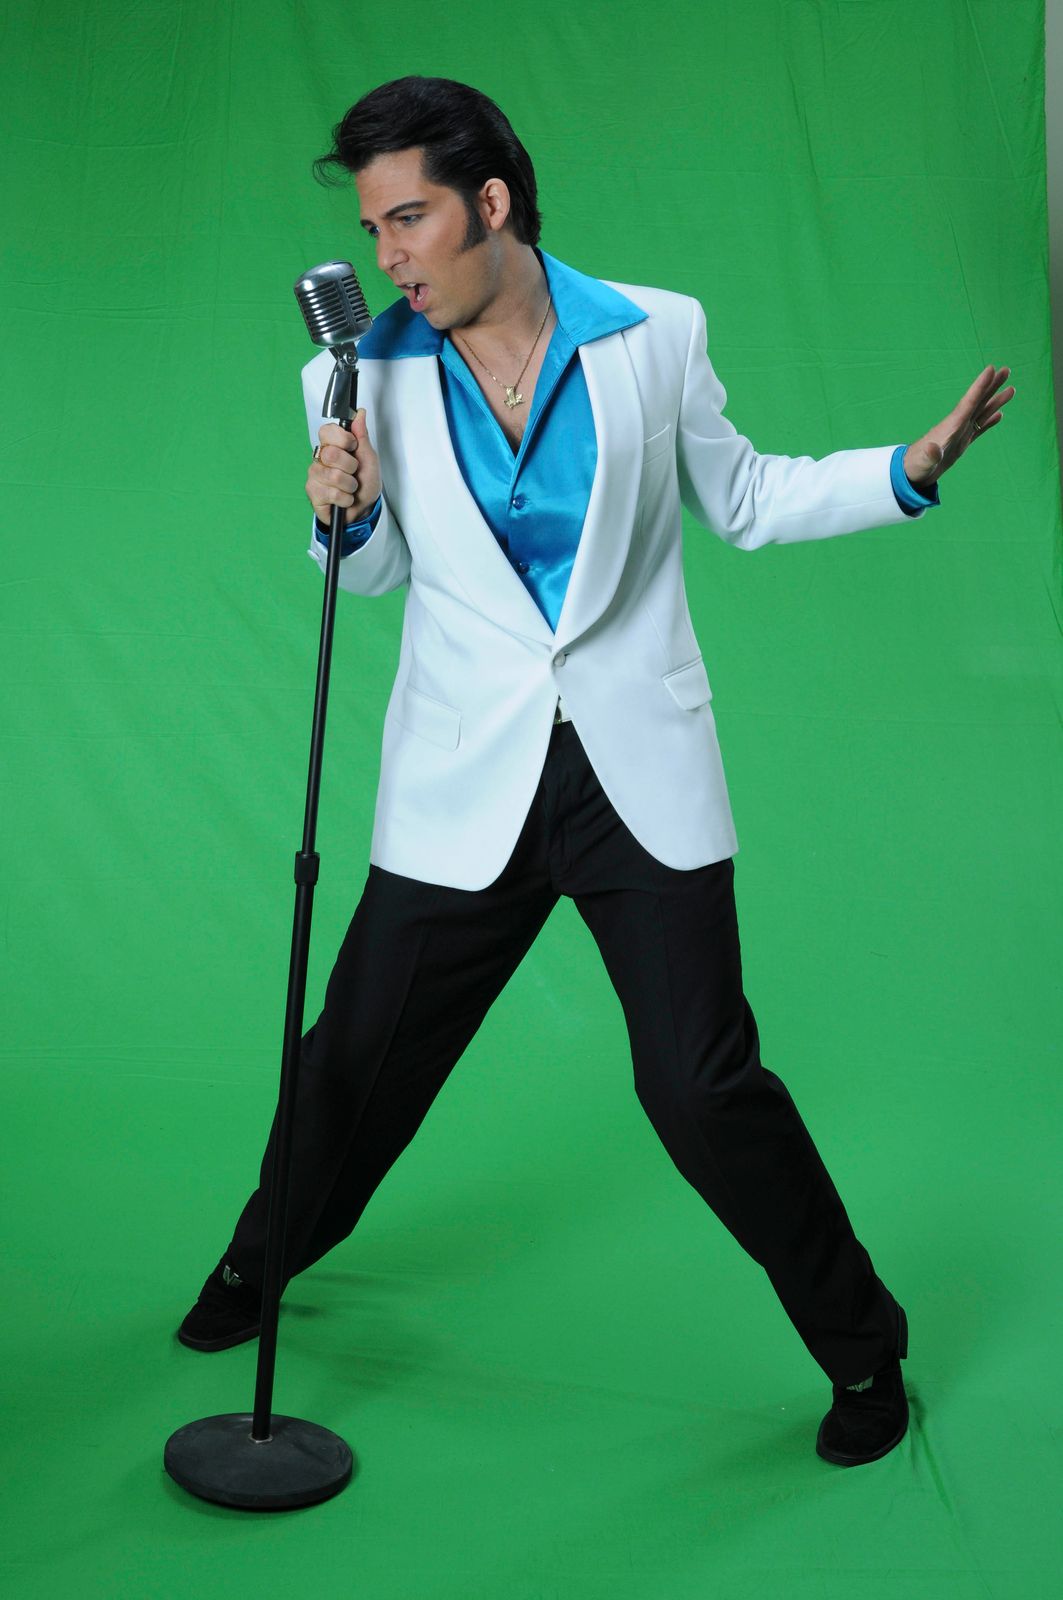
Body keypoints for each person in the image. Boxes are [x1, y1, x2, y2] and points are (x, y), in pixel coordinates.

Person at [176, 76, 1013, 1468]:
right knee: (353, 1067)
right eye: (372, 228)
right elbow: (371, 575)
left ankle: (866, 1349)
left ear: (490, 203)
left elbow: (744, 498)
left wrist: (906, 469)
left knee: (702, 1088)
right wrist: (342, 512)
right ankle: (256, 1265)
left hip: (638, 775)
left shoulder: (654, 335)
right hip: (463, 785)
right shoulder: (354, 373)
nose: (387, 253)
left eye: (408, 219)